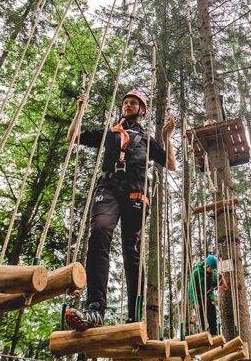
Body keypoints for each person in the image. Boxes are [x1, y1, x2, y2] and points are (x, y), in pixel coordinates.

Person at [64, 90, 176, 330]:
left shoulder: (146, 139)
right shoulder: (110, 133)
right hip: (109, 185)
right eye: (125, 102)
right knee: (99, 231)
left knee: (132, 249)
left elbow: (171, 164)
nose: (128, 105)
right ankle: (95, 308)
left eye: (133, 103)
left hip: (137, 189)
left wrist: (166, 136)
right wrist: (79, 111)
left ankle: (135, 315)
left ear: (142, 110)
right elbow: (72, 137)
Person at [188, 254, 228, 335]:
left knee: (213, 320)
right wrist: (194, 302)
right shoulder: (196, 272)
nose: (212, 270)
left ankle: (214, 336)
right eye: (211, 268)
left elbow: (224, 286)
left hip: (209, 299)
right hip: (199, 300)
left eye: (213, 269)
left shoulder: (213, 274)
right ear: (206, 265)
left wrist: (221, 275)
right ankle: (203, 336)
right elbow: (191, 288)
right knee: (201, 321)